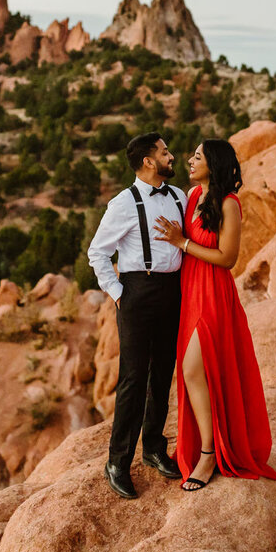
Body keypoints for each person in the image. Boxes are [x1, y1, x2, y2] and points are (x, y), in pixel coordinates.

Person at [152, 139, 276, 491]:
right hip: (189, 291)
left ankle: (209, 453)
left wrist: (182, 243)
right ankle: (206, 445)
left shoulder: (229, 204)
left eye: (198, 156)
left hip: (213, 292)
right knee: (195, 370)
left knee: (193, 368)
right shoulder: (192, 197)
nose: (190, 161)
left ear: (215, 164)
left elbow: (228, 259)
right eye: (191, 155)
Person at [87, 132, 187, 499]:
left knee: (163, 373)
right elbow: (97, 253)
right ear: (148, 161)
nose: (171, 156)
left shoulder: (178, 196)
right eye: (165, 152)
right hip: (137, 292)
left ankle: (154, 449)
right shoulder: (123, 204)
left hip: (173, 291)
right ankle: (117, 461)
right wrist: (118, 295)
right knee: (132, 378)